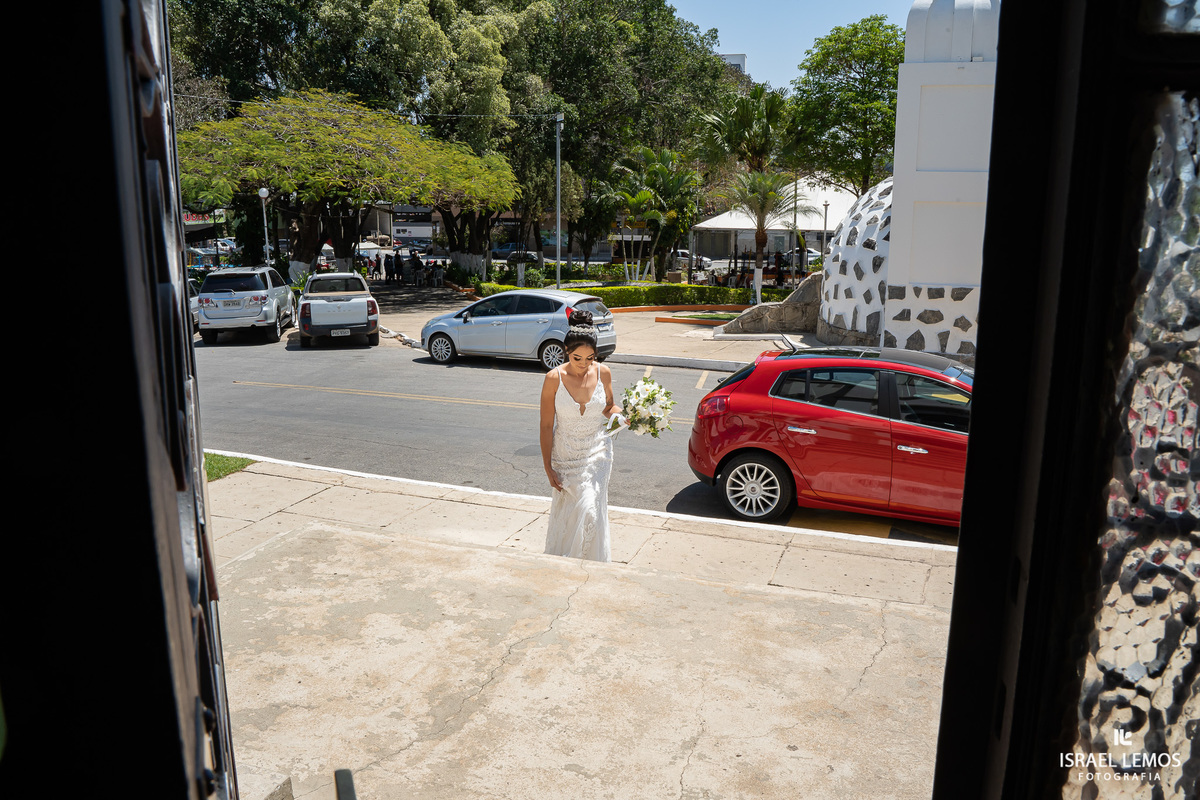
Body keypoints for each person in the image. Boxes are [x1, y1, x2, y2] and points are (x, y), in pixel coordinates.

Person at [540, 310, 625, 562]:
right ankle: (565, 562)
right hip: (565, 455)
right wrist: (547, 467)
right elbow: (546, 425)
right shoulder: (553, 379)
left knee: (590, 509)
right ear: (566, 350)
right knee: (570, 512)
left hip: (597, 450)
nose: (584, 363)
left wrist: (625, 415)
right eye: (577, 357)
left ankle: (590, 563)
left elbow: (609, 406)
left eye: (590, 358)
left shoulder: (604, 373)